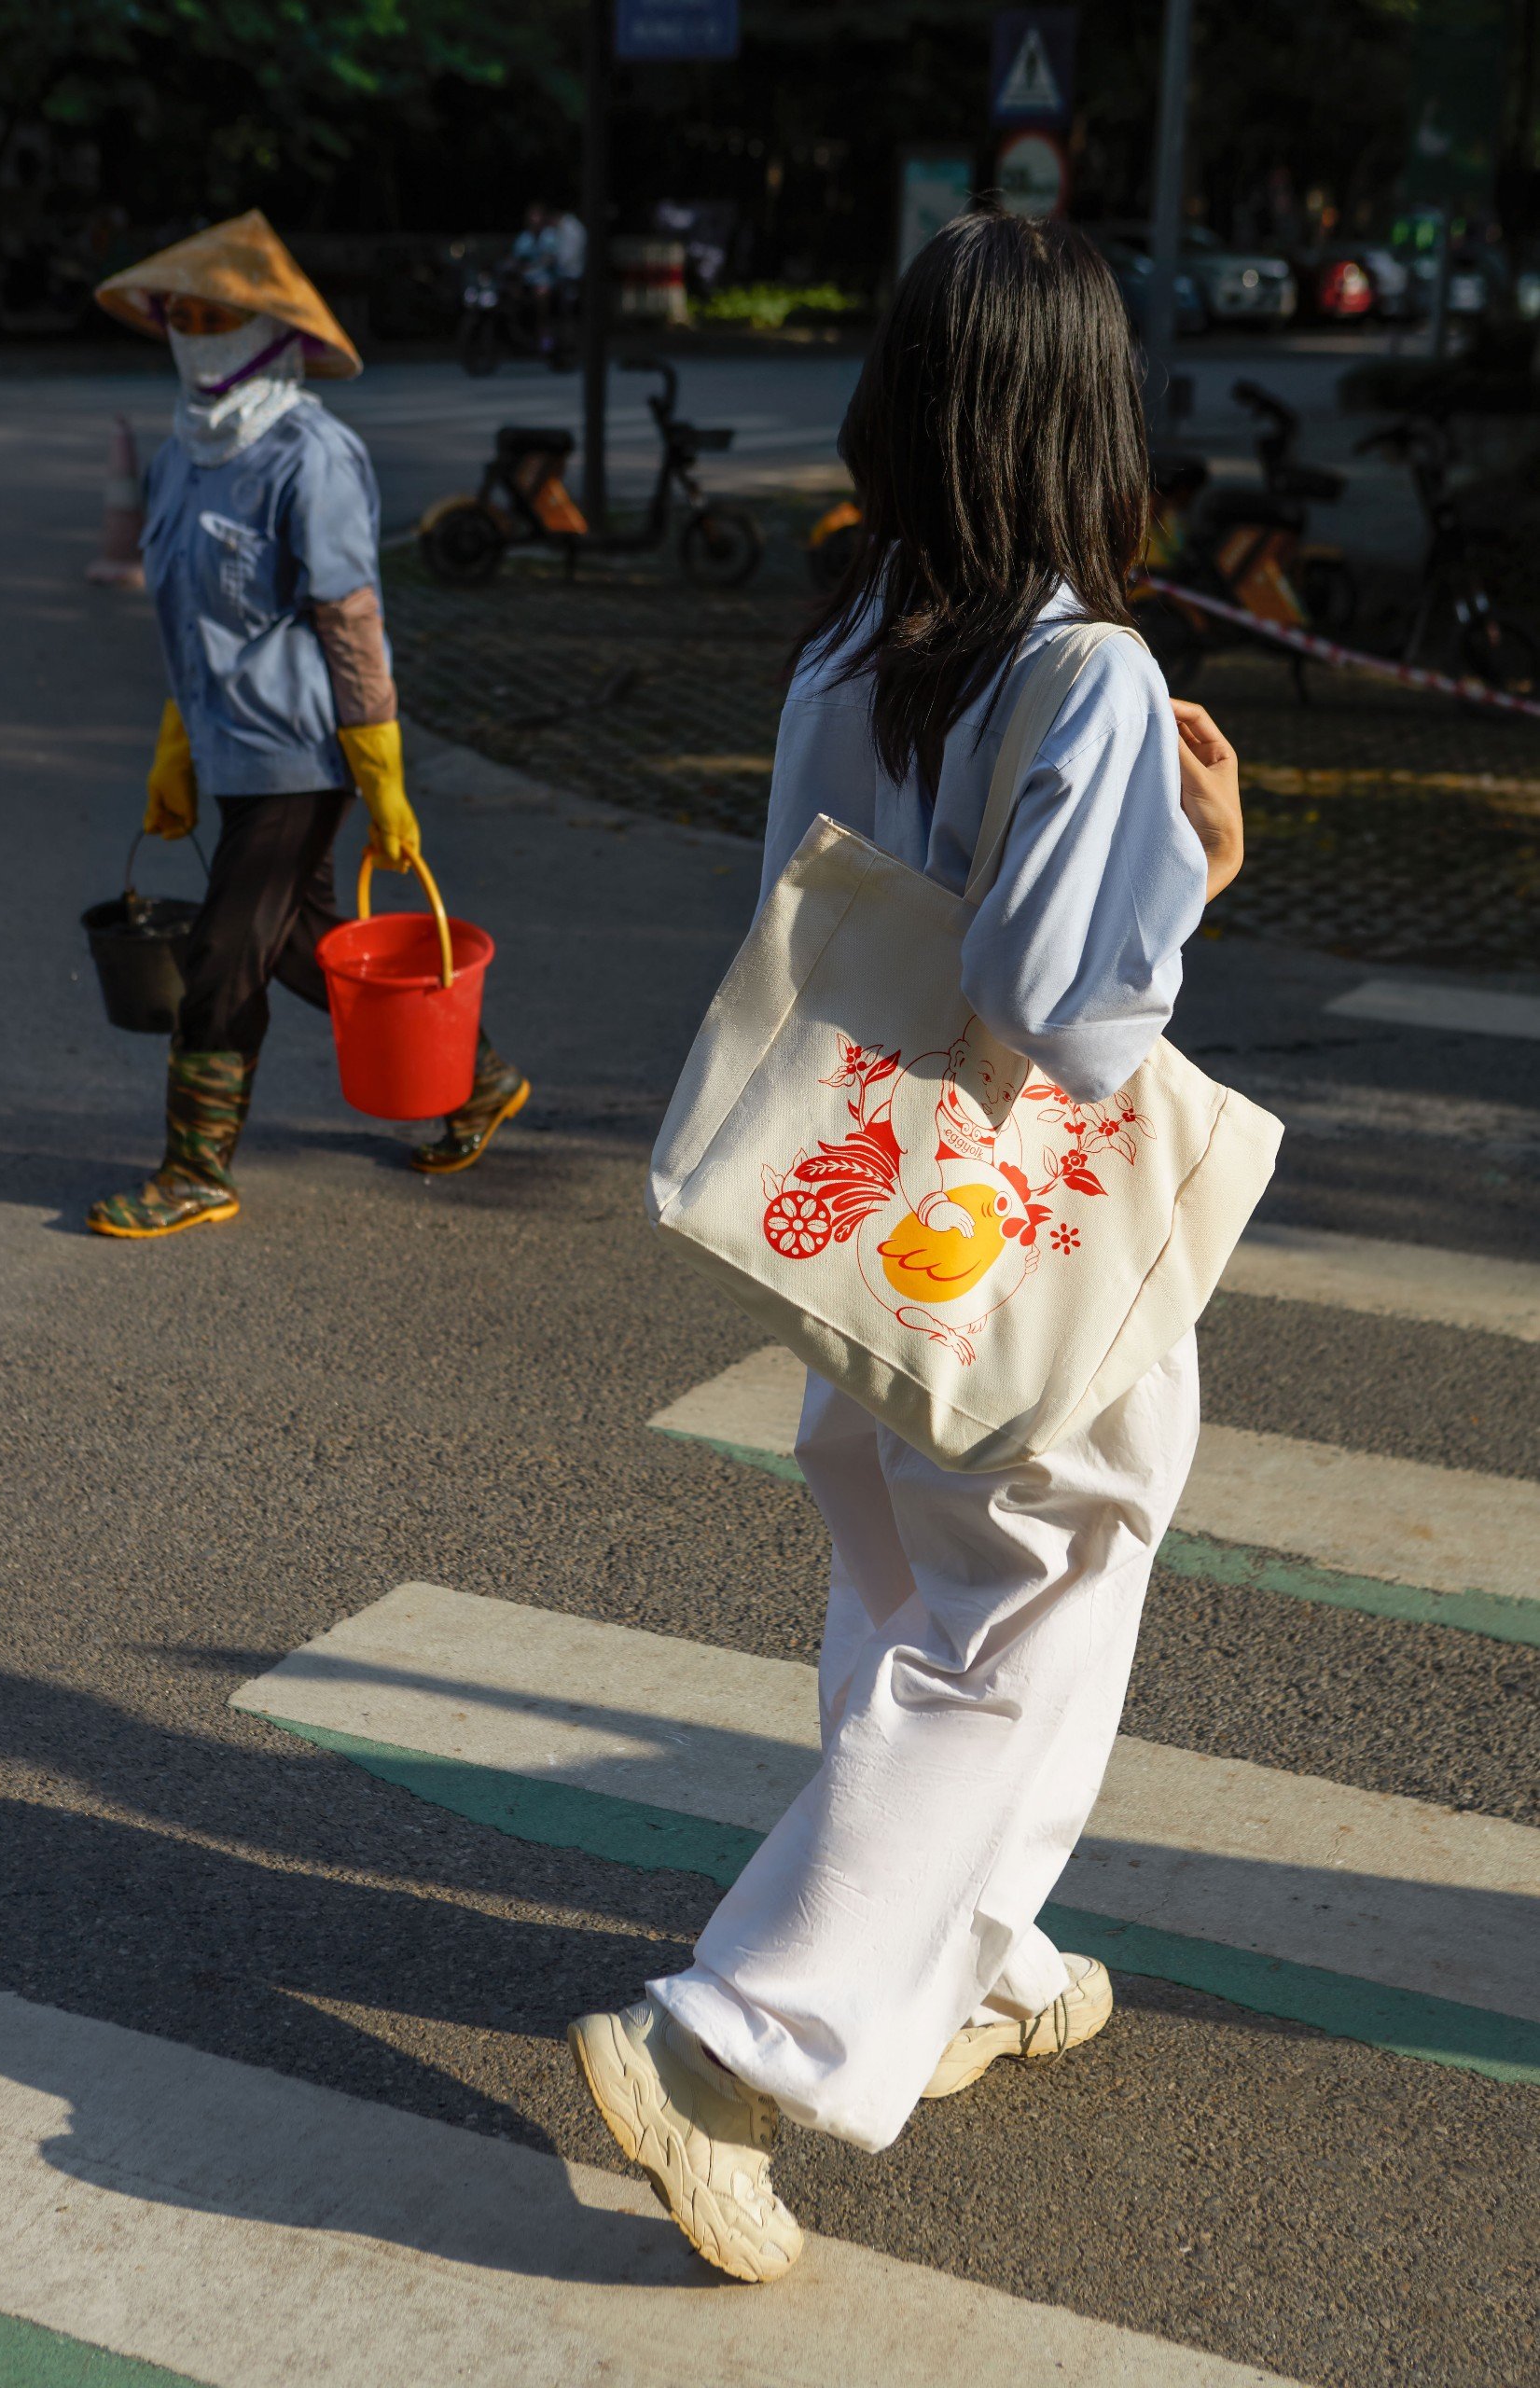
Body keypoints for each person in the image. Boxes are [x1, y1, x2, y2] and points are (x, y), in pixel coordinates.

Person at [569, 201, 1245, 2284]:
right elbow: (1072, 1006)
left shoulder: (846, 642)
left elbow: (814, 908)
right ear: (1082, 417)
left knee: (903, 1596)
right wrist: (1201, 862)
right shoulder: (1094, 670)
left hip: (866, 1230)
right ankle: (729, 2043)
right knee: (1012, 1629)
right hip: (1026, 1256)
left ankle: (969, 1952)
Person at [87, 210, 528, 1239]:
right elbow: (192, 623)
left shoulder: (311, 455)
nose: (197, 333)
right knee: (303, 943)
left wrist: (381, 773)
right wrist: (175, 749)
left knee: (223, 954)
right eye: (182, 316)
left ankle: (195, 1166)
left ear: (273, 334)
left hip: (302, 750)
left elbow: (351, 621)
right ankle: (476, 1075)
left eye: (218, 315)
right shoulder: (182, 456)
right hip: (229, 744)